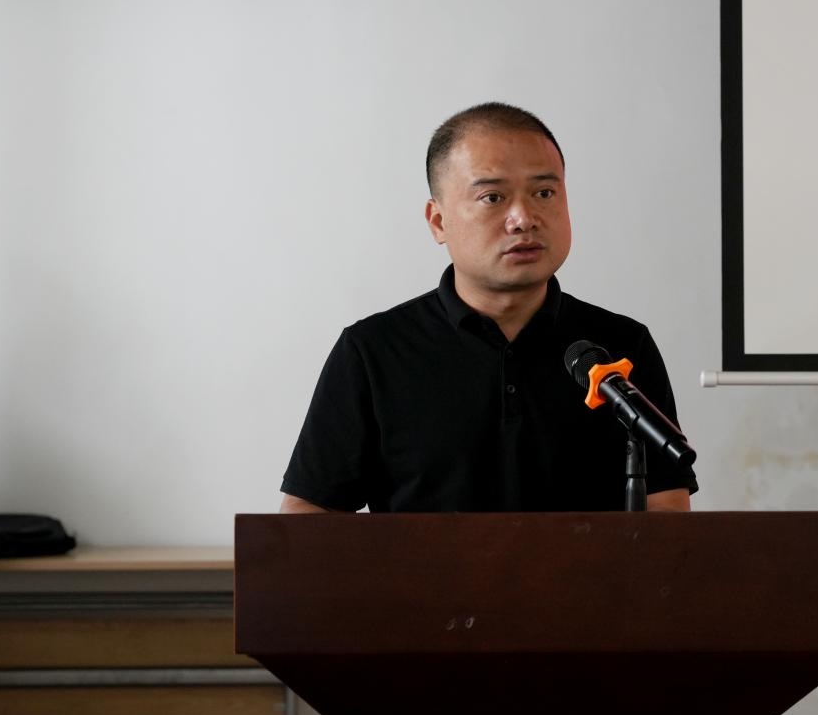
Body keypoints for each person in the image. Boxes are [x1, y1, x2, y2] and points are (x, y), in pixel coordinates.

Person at [280, 102, 697, 513]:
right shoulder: (373, 351)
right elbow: (308, 512)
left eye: (544, 193)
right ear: (438, 221)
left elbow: (666, 505)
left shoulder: (621, 345)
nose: (523, 219)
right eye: (493, 197)